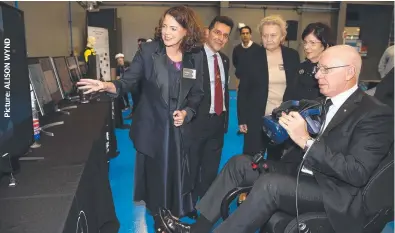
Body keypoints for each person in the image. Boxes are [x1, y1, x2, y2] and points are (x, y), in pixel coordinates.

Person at [157, 45, 394, 233]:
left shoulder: (374, 113)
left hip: (337, 193)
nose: (317, 75)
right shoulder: (323, 103)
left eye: (325, 70)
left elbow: (357, 172)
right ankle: (198, 230)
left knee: (271, 185)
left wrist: (306, 141)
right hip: (307, 172)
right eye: (317, 69)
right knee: (240, 164)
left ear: (350, 72)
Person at [77, 5, 205, 217]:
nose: (166, 32)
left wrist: (187, 113)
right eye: (164, 26)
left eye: (173, 28)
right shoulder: (148, 51)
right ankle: (161, 218)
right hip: (154, 128)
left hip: (180, 130)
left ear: (186, 31)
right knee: (157, 179)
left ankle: (179, 210)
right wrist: (107, 85)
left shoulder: (196, 55)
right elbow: (127, 81)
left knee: (181, 173)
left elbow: (197, 93)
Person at [185, 16, 233, 216]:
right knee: (192, 166)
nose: (221, 38)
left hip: (217, 122)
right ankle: (187, 205)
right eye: (217, 32)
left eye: (225, 35)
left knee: (211, 168)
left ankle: (204, 205)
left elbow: (223, 90)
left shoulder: (224, 60)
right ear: (208, 31)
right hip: (196, 122)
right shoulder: (192, 56)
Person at [237, 15, 300, 160]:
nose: (269, 39)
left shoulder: (292, 56)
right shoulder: (250, 56)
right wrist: (242, 119)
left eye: (273, 35)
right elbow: (243, 90)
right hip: (255, 118)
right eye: (265, 35)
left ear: (282, 36)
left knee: (277, 162)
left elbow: (295, 88)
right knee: (251, 160)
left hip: (282, 120)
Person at [283, 22, 334, 101]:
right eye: (305, 42)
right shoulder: (300, 68)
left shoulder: (333, 70)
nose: (306, 47)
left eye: (312, 43)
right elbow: (288, 97)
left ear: (326, 45)